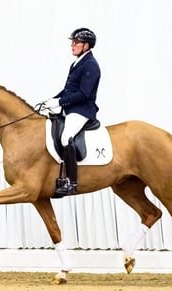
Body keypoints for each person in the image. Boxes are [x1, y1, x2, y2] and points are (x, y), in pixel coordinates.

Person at [45, 27, 101, 197]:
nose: (72, 45)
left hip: (83, 110)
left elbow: (84, 93)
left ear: (86, 45)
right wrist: (51, 100)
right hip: (71, 109)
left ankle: (72, 182)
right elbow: (68, 89)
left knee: (65, 137)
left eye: (75, 42)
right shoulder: (76, 63)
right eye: (72, 42)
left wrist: (61, 102)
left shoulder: (91, 65)